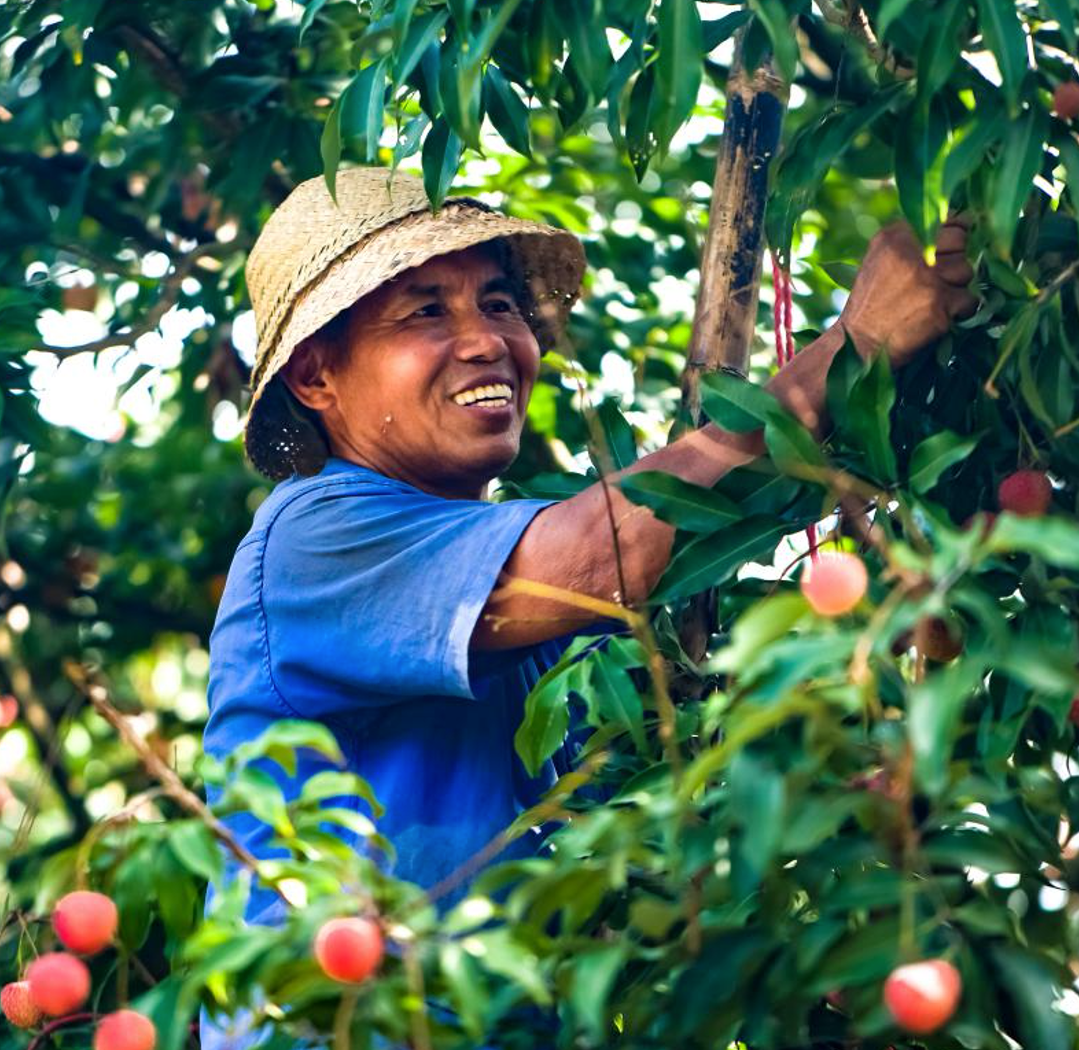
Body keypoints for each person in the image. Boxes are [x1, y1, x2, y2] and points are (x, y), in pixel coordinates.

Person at [200, 166, 974, 1042]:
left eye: (498, 304)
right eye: (425, 311)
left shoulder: (503, 570)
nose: (488, 340)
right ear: (315, 377)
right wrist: (854, 346)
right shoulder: (314, 537)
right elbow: (616, 548)